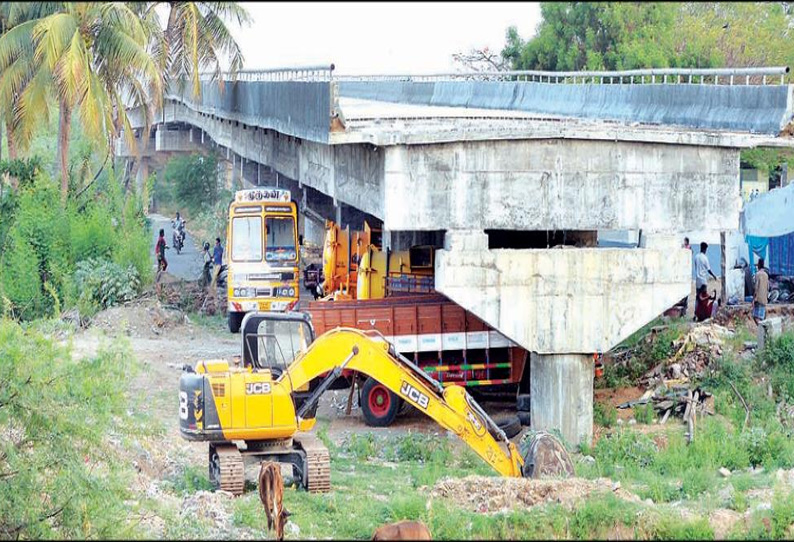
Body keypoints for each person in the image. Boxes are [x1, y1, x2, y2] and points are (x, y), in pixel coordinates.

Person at [753, 258, 769, 323]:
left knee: (756, 317)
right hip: (764, 299)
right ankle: (762, 330)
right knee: (761, 317)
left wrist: (754, 299)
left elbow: (756, 287)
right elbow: (767, 287)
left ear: (758, 265)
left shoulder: (757, 274)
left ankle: (762, 330)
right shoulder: (766, 275)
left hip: (758, 299)